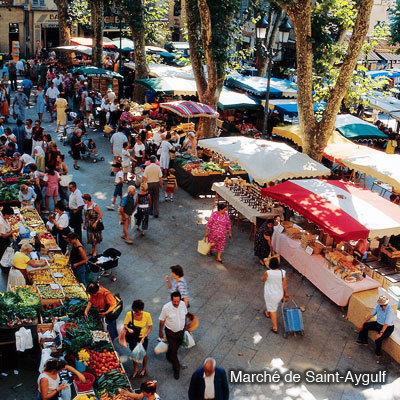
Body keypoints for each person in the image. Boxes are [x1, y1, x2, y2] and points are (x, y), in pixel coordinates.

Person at [357, 295, 395, 362]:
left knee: (378, 339)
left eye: (385, 305)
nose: (383, 307)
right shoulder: (378, 307)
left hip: (387, 327)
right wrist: (363, 323)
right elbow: (371, 315)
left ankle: (378, 353)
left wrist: (380, 333)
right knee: (365, 326)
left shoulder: (390, 311)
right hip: (379, 324)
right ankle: (364, 341)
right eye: (381, 306)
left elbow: (386, 324)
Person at [159, 291, 187, 379]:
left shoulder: (183, 304)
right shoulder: (166, 308)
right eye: (174, 301)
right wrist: (160, 332)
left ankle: (169, 354)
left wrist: (185, 326)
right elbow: (162, 321)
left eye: (177, 301)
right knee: (174, 351)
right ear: (171, 300)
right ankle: (176, 368)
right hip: (170, 332)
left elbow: (185, 315)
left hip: (181, 332)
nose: (176, 303)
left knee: (175, 347)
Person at [122, 299, 153, 378]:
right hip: (133, 338)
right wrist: (128, 329)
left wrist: (144, 337)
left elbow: (150, 327)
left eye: (138, 311)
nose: (136, 313)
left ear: (141, 309)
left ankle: (143, 369)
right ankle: (135, 369)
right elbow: (125, 324)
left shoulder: (147, 315)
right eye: (135, 311)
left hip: (143, 337)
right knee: (134, 353)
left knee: (144, 354)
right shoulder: (129, 314)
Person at [261, 257, 289, 334]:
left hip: (270, 294)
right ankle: (267, 312)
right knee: (272, 304)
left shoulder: (268, 273)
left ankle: (275, 328)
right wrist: (286, 294)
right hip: (279, 293)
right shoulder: (282, 272)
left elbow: (263, 279)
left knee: (273, 310)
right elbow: (284, 285)